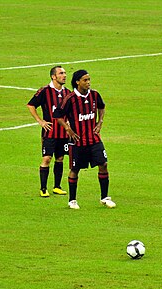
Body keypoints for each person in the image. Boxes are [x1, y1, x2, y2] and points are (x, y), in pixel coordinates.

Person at [53, 69, 116, 209]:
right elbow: (57, 115)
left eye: (89, 80)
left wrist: (100, 122)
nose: (88, 82)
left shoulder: (94, 95)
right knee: (75, 169)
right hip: (78, 142)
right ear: (77, 82)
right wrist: (68, 128)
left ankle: (105, 197)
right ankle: (72, 200)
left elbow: (102, 107)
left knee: (103, 164)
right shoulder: (70, 99)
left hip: (94, 139)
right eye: (85, 80)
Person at [27, 66, 71, 197]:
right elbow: (31, 105)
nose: (64, 75)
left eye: (65, 73)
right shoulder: (44, 91)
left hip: (63, 133)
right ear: (53, 76)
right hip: (50, 132)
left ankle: (57, 187)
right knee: (47, 158)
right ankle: (43, 188)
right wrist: (40, 121)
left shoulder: (68, 93)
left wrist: (69, 122)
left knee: (60, 158)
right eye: (61, 73)